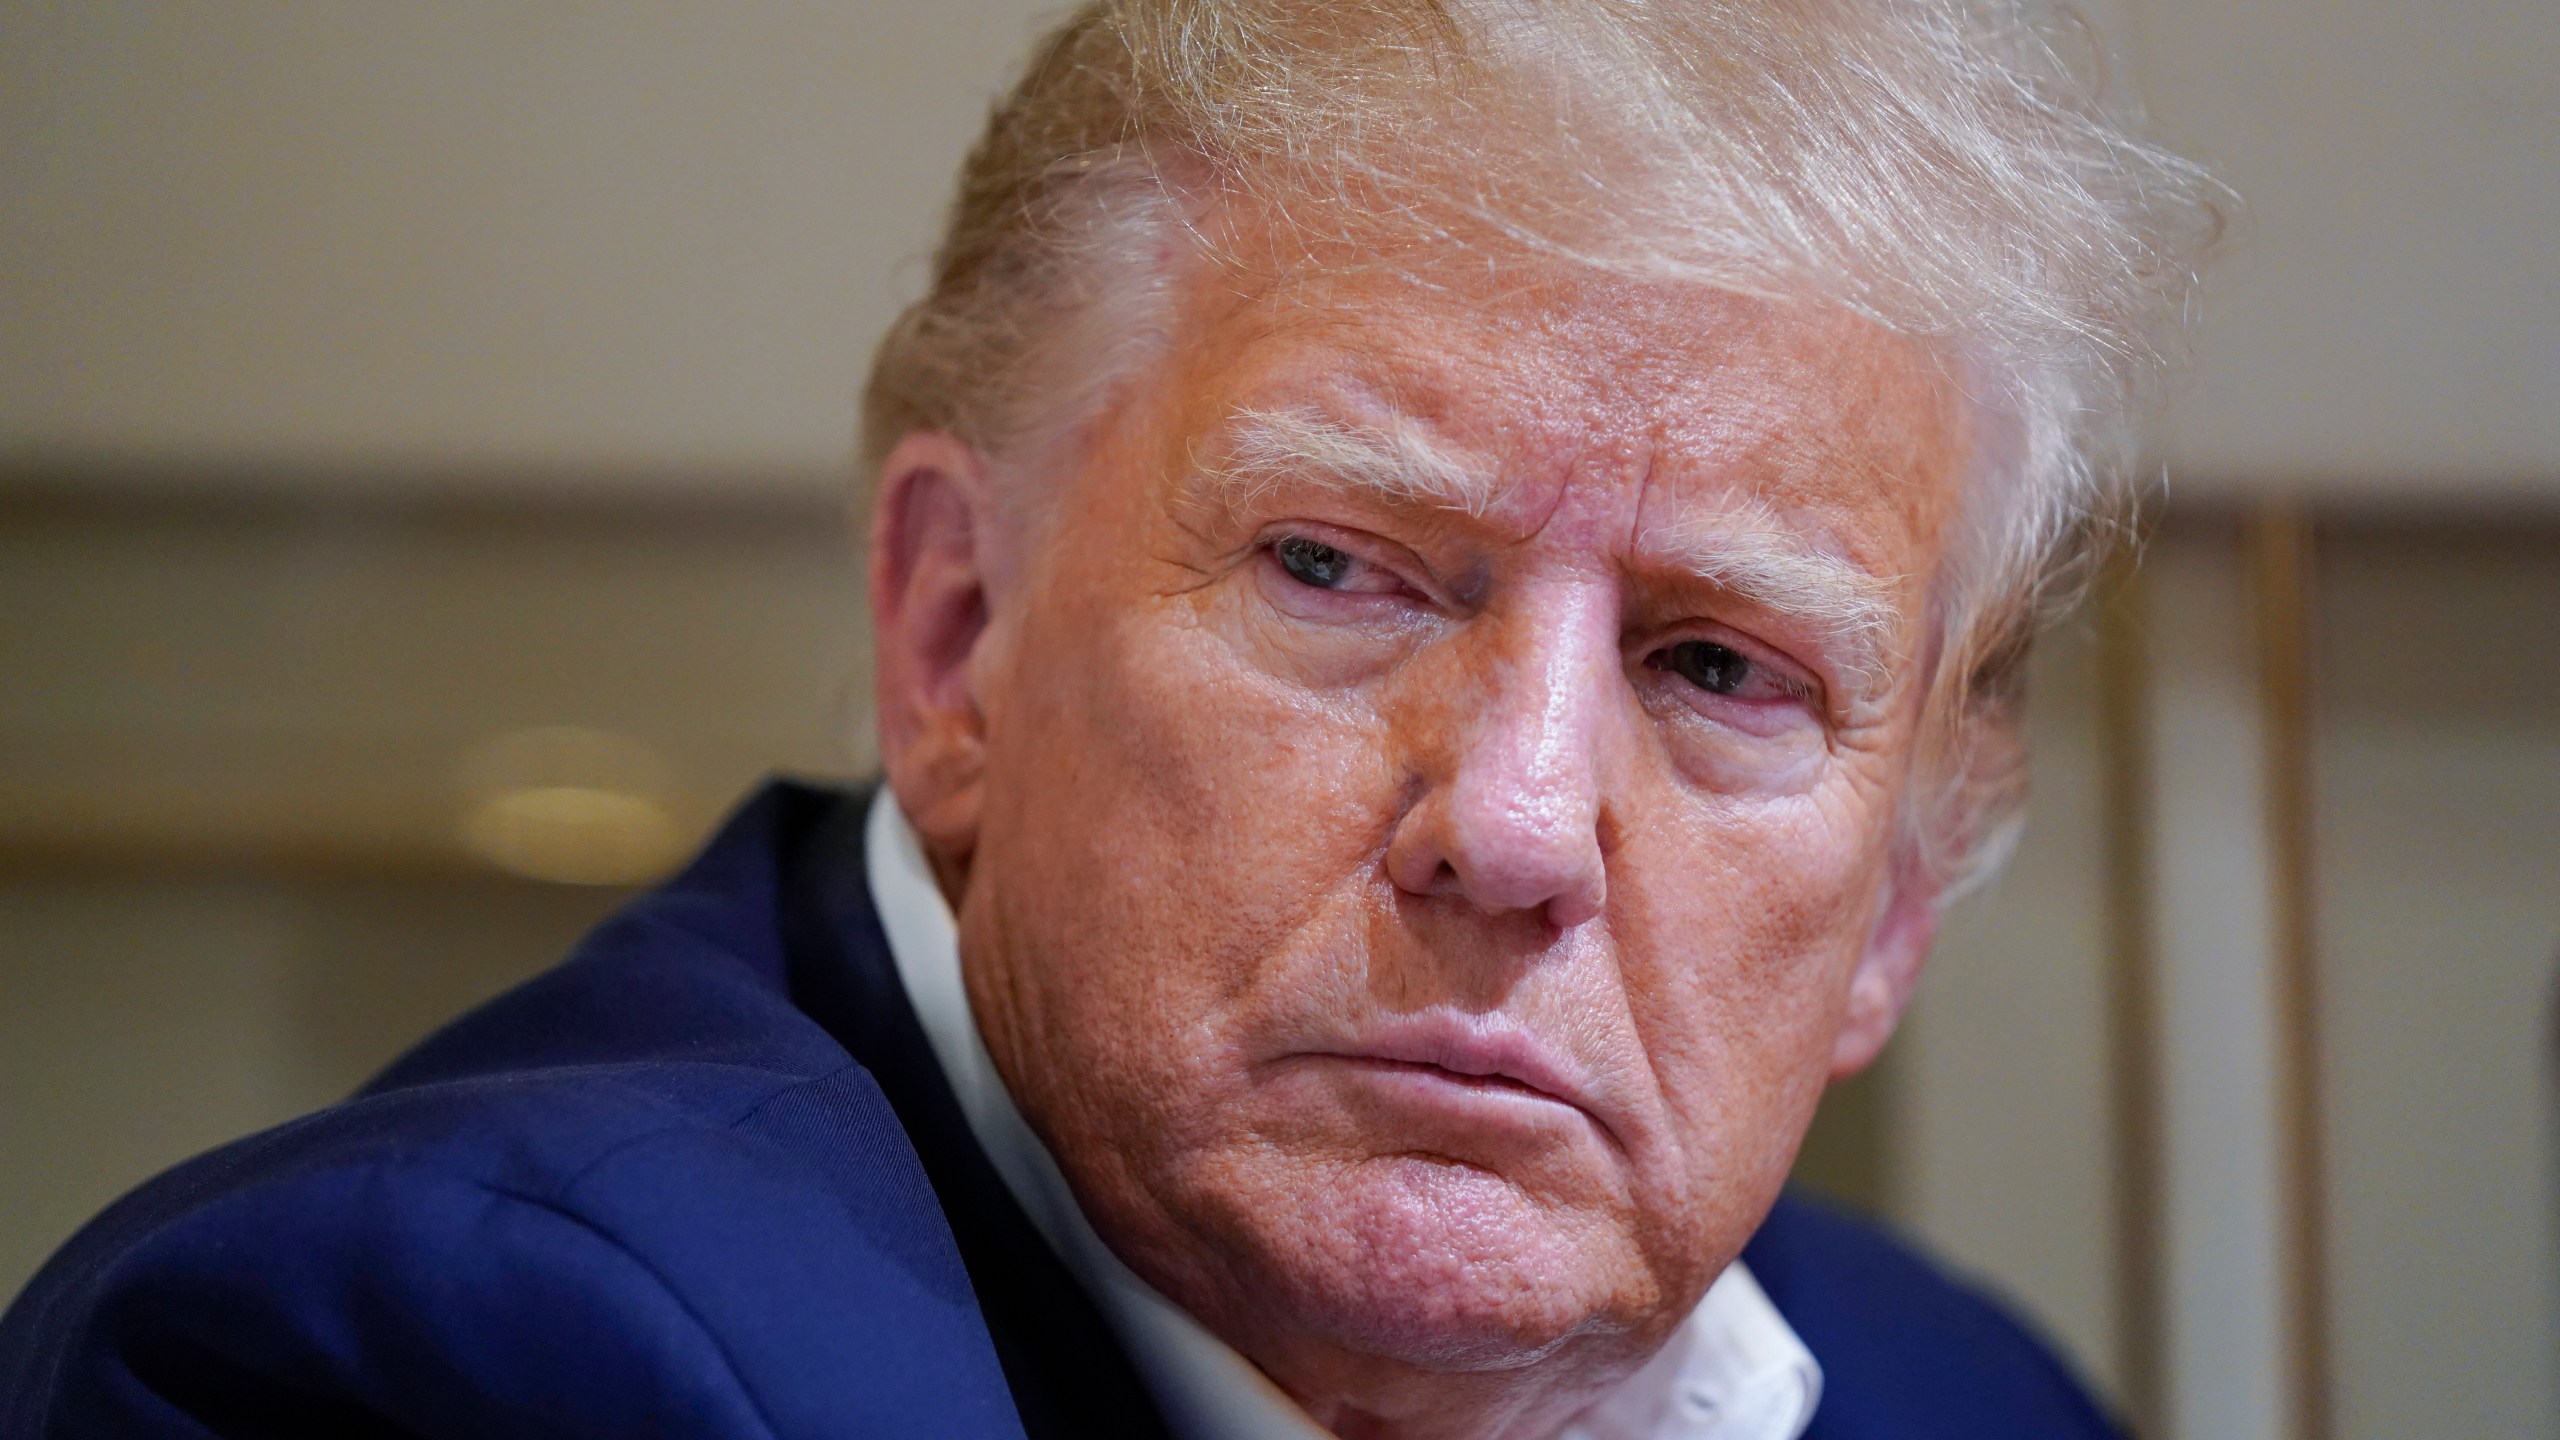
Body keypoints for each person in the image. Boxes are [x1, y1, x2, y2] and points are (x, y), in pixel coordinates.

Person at [0, 2, 2224, 1436]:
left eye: (1720, 667)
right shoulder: (458, 1366)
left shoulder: (1966, 1401)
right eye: (1336, 569)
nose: (1521, 823)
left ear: (1901, 904)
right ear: (954, 632)